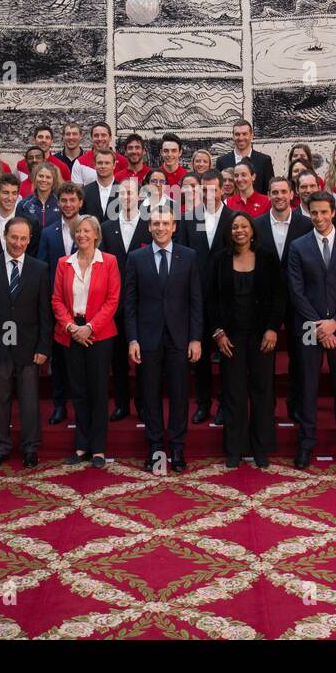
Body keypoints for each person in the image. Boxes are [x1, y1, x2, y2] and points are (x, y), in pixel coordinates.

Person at [288, 190, 336, 470]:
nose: (319, 217)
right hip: (309, 327)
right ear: (308, 213)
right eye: (314, 212)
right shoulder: (298, 246)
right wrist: (321, 327)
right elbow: (296, 292)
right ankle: (306, 445)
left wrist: (335, 323)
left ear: (333, 212)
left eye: (324, 212)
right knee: (308, 389)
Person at [124, 207, 202, 473]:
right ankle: (156, 447)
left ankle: (177, 447)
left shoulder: (189, 256)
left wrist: (195, 338)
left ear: (174, 227)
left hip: (180, 338)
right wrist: (132, 339)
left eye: (165, 223)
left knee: (180, 395)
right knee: (150, 395)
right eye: (155, 223)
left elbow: (195, 301)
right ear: (149, 227)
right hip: (147, 339)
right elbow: (130, 303)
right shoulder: (136, 258)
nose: (160, 228)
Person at [0, 216, 53, 468]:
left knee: (29, 400)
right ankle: (1, 445)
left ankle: (30, 447)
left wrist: (43, 347)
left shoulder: (40, 269)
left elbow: (45, 313)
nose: (18, 243)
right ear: (4, 237)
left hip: (29, 347)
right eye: (13, 237)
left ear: (29, 240)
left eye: (23, 238)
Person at [207, 211, 282, 469]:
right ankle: (235, 449)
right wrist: (218, 332)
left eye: (244, 226)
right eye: (235, 227)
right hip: (231, 336)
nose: (239, 230)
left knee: (263, 391)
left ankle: (261, 448)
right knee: (234, 392)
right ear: (229, 232)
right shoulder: (219, 260)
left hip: (262, 335)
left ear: (252, 231)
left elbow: (278, 297)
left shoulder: (268, 259)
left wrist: (272, 329)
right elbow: (211, 299)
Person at [52, 216, 120, 468]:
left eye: (86, 231)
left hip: (99, 335)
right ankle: (82, 446)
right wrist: (71, 327)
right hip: (71, 335)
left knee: (98, 391)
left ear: (96, 235)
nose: (81, 234)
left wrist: (89, 328)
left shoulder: (109, 261)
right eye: (77, 230)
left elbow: (112, 300)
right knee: (78, 391)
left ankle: (99, 448)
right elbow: (57, 300)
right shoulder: (63, 263)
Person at [254, 176, 313, 426]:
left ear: (292, 195)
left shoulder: (306, 224)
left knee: (300, 356)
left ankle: (296, 403)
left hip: (299, 302)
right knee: (264, 358)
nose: (279, 196)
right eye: (274, 192)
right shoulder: (255, 225)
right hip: (264, 303)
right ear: (268, 195)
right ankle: (265, 407)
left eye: (283, 192)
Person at [179, 170, 233, 425]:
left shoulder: (234, 219)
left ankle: (225, 404)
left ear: (223, 190)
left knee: (226, 356)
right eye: (204, 190)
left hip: (226, 298)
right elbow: (181, 257)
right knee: (198, 357)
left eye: (214, 189)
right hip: (197, 297)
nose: (209, 194)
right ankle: (202, 404)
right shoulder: (189, 219)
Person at [101, 176, 150, 422]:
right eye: (123, 193)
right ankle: (121, 404)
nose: (128, 197)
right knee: (118, 357)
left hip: (145, 302)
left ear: (140, 196)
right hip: (115, 303)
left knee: (145, 357)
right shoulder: (106, 227)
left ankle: (143, 403)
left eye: (132, 193)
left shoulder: (151, 224)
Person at [36, 181, 85, 425]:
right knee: (59, 360)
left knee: (81, 364)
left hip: (85, 307)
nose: (67, 205)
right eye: (63, 201)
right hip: (57, 307)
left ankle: (81, 407)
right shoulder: (48, 233)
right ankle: (59, 405)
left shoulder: (90, 230)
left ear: (80, 202)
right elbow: (42, 269)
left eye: (72, 200)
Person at [0, 172, 40, 261]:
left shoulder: (32, 223)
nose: (10, 198)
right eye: (6, 193)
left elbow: (33, 259)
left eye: (14, 193)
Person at [215, 119, 274, 191]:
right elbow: (217, 189)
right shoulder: (222, 161)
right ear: (233, 136)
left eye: (244, 134)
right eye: (237, 134)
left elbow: (270, 190)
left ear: (251, 136)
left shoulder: (264, 161)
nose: (241, 138)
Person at [71, 121, 128, 185]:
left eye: (103, 135)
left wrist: (112, 193)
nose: (100, 138)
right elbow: (78, 192)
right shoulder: (80, 162)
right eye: (96, 135)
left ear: (110, 137)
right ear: (92, 138)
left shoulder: (123, 162)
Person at [18, 160, 62, 230]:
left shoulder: (61, 203)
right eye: (41, 176)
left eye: (48, 177)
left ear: (54, 181)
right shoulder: (24, 205)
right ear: (35, 178)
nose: (44, 180)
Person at [81, 147, 120, 222]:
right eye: (100, 163)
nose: (103, 166)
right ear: (94, 165)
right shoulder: (84, 192)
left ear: (114, 165)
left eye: (107, 163)